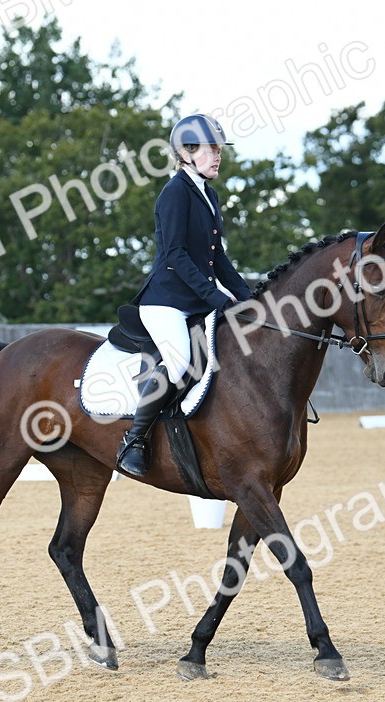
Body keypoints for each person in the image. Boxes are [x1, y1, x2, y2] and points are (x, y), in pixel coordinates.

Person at [115, 114, 254, 477]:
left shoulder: (208, 193)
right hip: (165, 301)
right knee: (179, 363)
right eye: (210, 150)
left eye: (218, 150)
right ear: (187, 152)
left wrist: (248, 296)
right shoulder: (175, 192)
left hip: (196, 300)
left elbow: (217, 256)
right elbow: (176, 254)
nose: (217, 156)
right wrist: (217, 298)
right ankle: (134, 439)